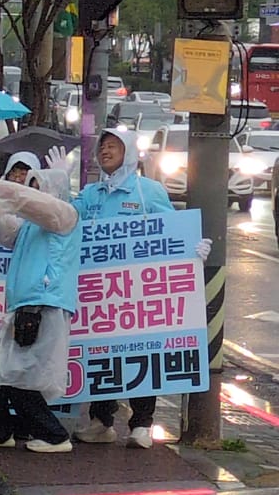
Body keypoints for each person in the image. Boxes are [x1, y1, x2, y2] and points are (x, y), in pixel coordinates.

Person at [72, 129, 211, 449]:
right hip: (100, 292)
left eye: (112, 147)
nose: (104, 152)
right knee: (101, 355)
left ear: (130, 152)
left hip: (138, 292)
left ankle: (141, 423)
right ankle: (100, 420)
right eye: (102, 147)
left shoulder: (148, 191)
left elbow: (170, 230)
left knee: (141, 353)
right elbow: (69, 220)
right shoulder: (91, 194)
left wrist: (191, 250)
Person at [0, 161, 82, 454]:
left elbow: (31, 203)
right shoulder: (29, 228)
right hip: (23, 307)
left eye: (38, 186)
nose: (32, 192)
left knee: (17, 377)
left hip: (43, 306)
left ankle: (53, 435)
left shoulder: (66, 216)